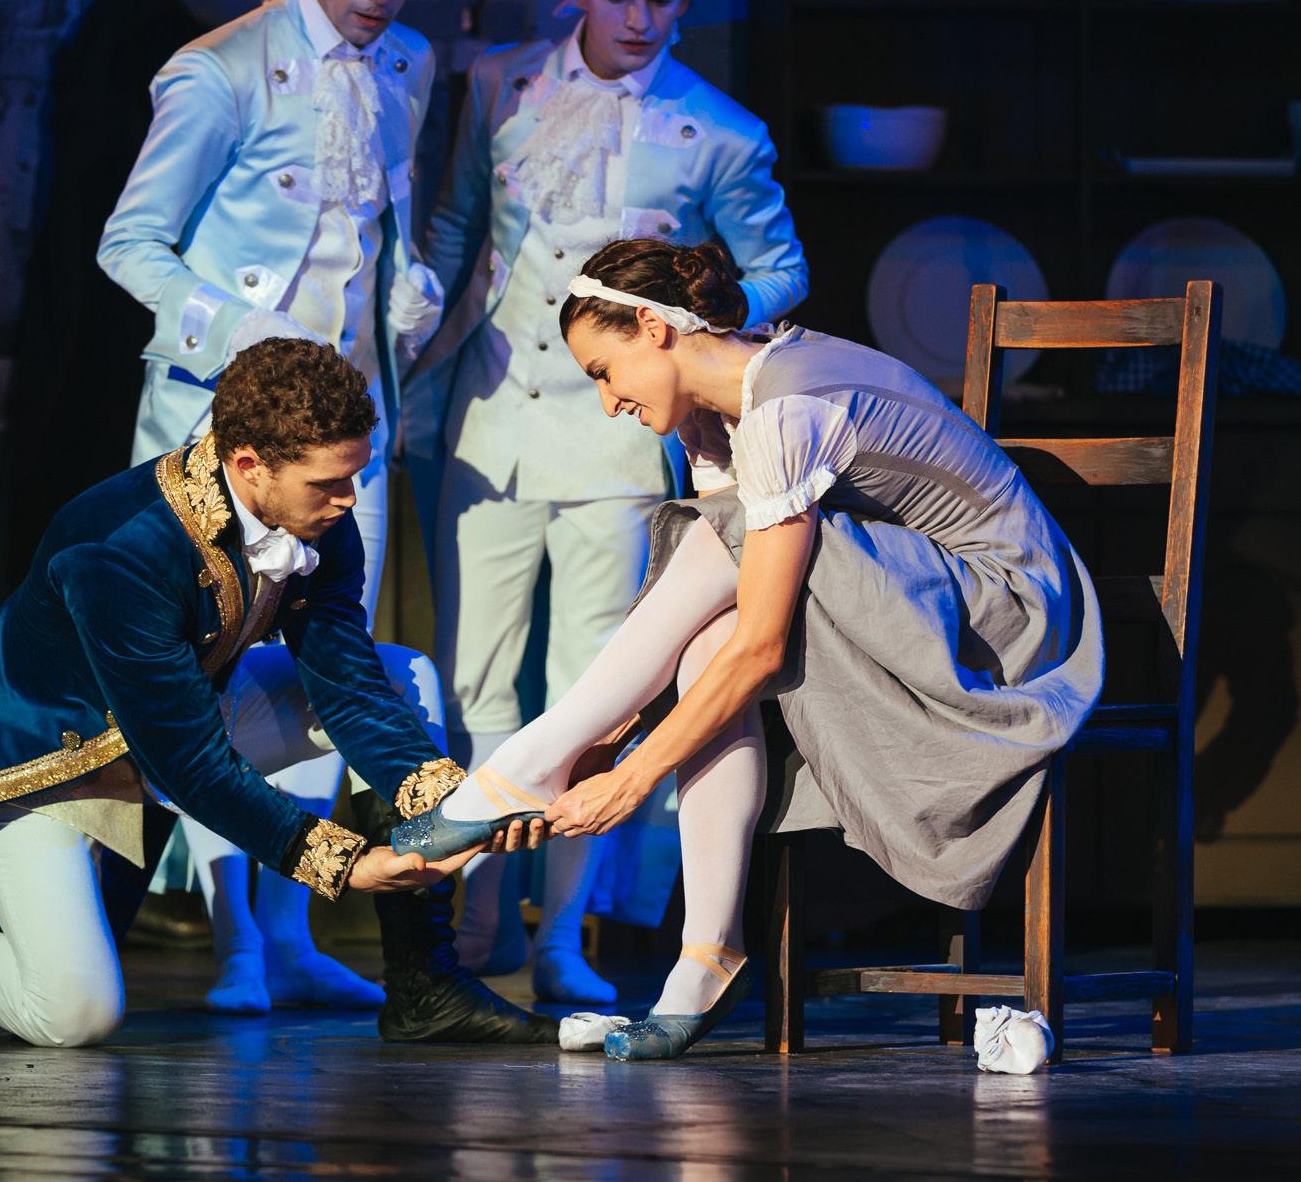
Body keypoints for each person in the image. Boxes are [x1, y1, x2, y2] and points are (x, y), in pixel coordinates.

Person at [395, 239, 1103, 1059]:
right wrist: (614, 737)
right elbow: (724, 617)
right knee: (707, 638)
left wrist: (634, 774)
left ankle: (527, 760)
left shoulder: (782, 408)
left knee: (723, 546)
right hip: (912, 597)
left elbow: (764, 646)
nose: (607, 401)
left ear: (654, 328)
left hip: (1004, 622)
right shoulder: (728, 408)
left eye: (604, 371)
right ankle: (708, 951)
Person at [0, 339, 555, 1049]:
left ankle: (424, 985)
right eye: (328, 483)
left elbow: (347, 682)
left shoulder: (317, 513)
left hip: (179, 719)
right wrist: (344, 863)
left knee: (402, 672)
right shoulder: (118, 545)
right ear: (249, 464)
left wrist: (453, 814)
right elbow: (188, 761)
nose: (349, 498)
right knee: (74, 1014)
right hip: (45, 757)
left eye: (355, 475)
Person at [404, 0, 809, 1003]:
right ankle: (481, 916)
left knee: (596, 683)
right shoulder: (500, 84)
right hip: (494, 413)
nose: (638, 17)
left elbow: (782, 267)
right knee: (475, 674)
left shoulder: (719, 129)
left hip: (622, 431)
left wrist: (701, 315)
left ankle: (564, 936)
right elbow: (458, 222)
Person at [97, 0, 451, 1013]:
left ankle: (293, 934)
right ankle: (235, 942)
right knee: (211, 671)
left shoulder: (407, 63)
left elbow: (386, 221)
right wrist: (240, 331)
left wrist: (409, 289)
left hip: (346, 430)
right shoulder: (220, 70)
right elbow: (129, 245)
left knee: (326, 668)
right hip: (224, 422)